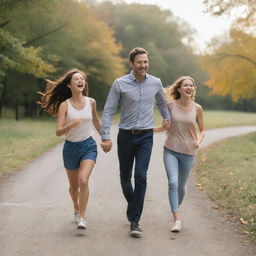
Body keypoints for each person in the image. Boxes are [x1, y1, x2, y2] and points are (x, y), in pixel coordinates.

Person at [101, 47, 171, 237]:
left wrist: (167, 118)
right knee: (125, 177)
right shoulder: (119, 83)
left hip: (145, 136)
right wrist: (105, 135)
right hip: (125, 135)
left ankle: (135, 220)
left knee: (140, 175)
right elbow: (108, 110)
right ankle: (134, 206)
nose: (143, 65)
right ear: (132, 63)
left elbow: (162, 102)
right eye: (139, 62)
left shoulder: (155, 82)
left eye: (145, 62)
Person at [39, 69, 101, 229]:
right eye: (76, 79)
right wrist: (69, 125)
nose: (81, 81)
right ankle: (76, 207)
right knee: (74, 187)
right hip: (70, 148)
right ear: (69, 84)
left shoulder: (91, 102)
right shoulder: (64, 105)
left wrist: (105, 137)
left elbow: (95, 121)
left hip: (88, 145)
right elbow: (58, 131)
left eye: (82, 79)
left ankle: (82, 217)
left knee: (83, 180)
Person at [154, 76, 205, 232]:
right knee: (173, 182)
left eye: (191, 85)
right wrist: (148, 130)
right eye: (186, 85)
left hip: (189, 152)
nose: (189, 87)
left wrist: (198, 141)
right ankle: (177, 218)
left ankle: (175, 206)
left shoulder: (197, 108)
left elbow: (202, 130)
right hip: (171, 150)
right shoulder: (169, 106)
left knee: (181, 187)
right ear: (179, 89)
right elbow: (165, 126)